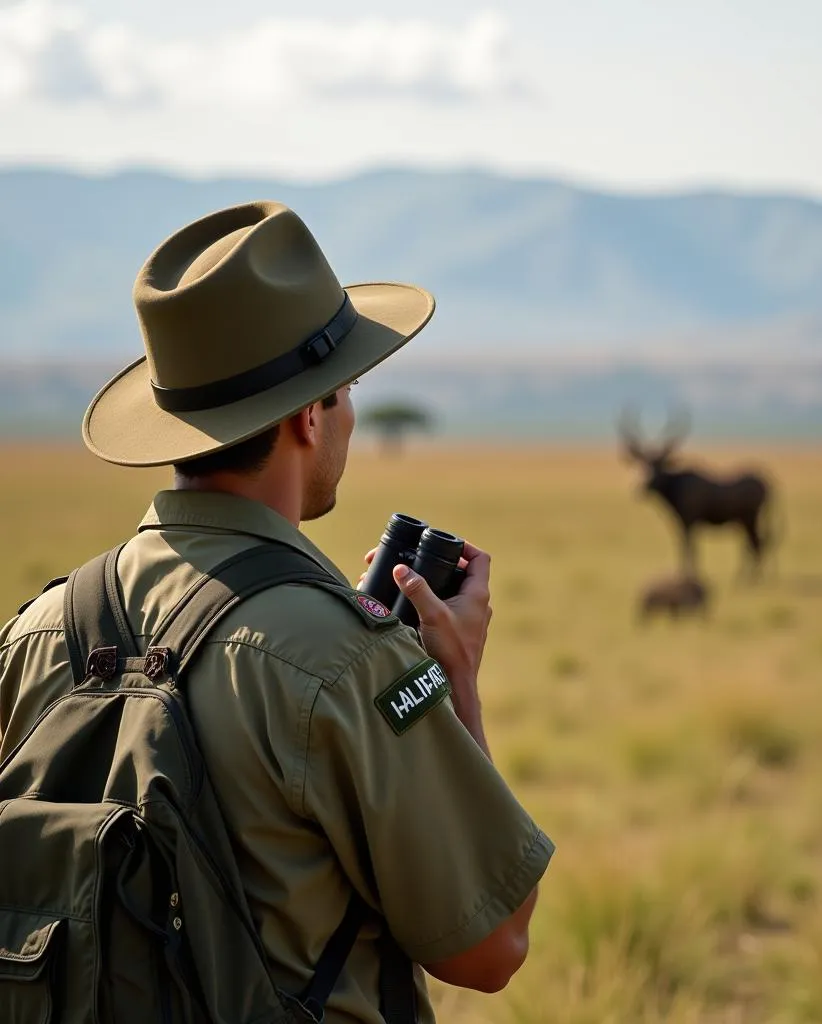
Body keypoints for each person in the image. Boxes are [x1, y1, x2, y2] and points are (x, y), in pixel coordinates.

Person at [0, 201, 554, 1022]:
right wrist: (457, 680)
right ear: (308, 412)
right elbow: (490, 946)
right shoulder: (338, 655)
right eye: (349, 388)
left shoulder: (37, 631)